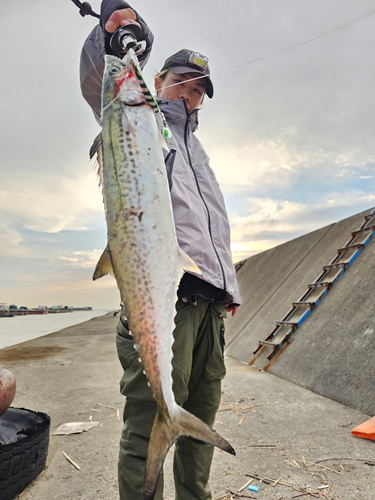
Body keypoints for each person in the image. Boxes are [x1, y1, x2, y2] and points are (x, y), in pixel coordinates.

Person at [80, 2, 242, 499]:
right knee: (146, 418)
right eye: (181, 81)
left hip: (209, 308)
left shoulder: (199, 151)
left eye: (198, 90)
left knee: (200, 424)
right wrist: (116, 34)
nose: (189, 94)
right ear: (159, 78)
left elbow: (209, 227)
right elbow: (99, 82)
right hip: (164, 302)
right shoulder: (144, 125)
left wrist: (227, 285)